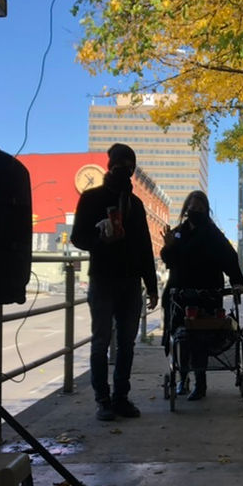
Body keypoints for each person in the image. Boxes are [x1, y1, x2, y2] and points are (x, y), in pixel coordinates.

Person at [71, 143, 158, 421]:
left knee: (126, 343)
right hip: (103, 278)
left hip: (130, 281)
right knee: (101, 341)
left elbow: (145, 247)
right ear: (111, 166)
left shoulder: (136, 205)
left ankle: (121, 396)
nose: (126, 170)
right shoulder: (91, 198)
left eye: (130, 166)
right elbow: (77, 237)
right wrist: (101, 239)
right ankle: (103, 399)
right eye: (121, 165)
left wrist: (152, 286)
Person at [160, 191, 243, 401]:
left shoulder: (213, 234)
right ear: (186, 209)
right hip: (180, 293)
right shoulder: (178, 233)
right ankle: (183, 378)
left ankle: (200, 382)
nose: (195, 211)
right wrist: (168, 247)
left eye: (200, 208)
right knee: (181, 336)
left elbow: (229, 257)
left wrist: (237, 281)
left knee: (200, 336)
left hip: (207, 293)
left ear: (207, 210)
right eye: (192, 207)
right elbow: (170, 261)